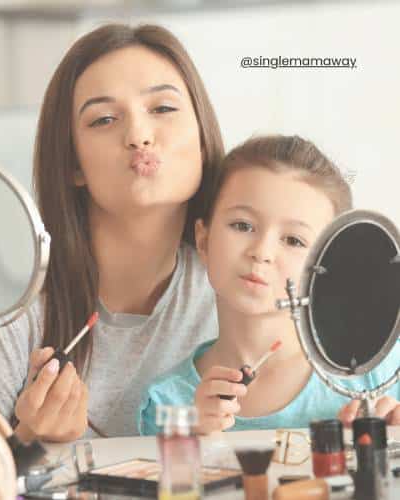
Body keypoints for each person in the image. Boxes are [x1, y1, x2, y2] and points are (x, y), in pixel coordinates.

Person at [0, 24, 225, 441]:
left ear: (202, 137)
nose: (139, 135)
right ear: (72, 164)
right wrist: (29, 444)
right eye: (104, 119)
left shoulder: (235, 285)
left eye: (162, 109)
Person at [138, 135, 400, 435]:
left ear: (329, 268)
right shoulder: (167, 405)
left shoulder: (382, 370)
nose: (261, 252)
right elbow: (170, 481)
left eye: (293, 240)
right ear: (203, 239)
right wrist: (189, 437)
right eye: (243, 226)